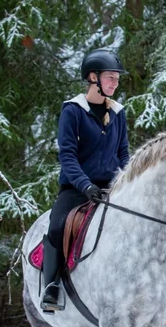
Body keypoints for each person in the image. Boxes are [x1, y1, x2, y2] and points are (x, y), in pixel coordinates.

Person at [41, 49, 130, 312]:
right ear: (93, 77)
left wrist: (127, 181)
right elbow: (67, 156)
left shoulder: (118, 112)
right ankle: (51, 286)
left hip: (112, 188)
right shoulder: (73, 111)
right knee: (57, 226)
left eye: (117, 79)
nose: (115, 83)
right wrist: (85, 185)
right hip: (77, 190)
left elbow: (123, 153)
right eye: (110, 77)